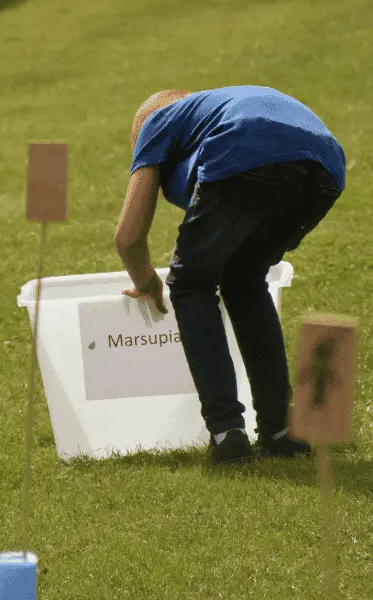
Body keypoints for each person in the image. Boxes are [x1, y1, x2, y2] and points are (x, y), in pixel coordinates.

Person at [114, 85, 345, 465]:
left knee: (191, 285)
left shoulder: (157, 120)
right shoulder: (215, 110)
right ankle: (280, 430)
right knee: (245, 282)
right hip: (326, 166)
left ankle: (227, 432)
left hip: (244, 149)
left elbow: (128, 238)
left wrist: (146, 281)